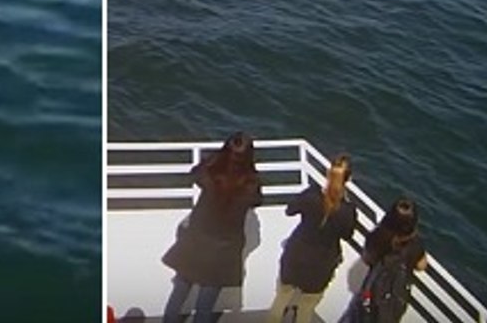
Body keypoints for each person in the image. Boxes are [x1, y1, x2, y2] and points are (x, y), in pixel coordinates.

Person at [161, 131, 263, 323]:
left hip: (196, 240)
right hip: (223, 250)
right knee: (205, 306)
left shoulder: (212, 172)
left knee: (179, 292)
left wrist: (217, 158)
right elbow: (257, 201)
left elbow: (195, 173)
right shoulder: (250, 181)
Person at [265, 155, 357, 323]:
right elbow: (347, 235)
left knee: (281, 299)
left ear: (328, 173)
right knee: (306, 307)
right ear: (348, 179)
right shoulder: (348, 210)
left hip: (296, 254)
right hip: (322, 264)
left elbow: (290, 210)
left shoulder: (311, 195)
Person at [345, 198, 428, 323]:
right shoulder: (415, 246)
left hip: (371, 295)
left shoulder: (377, 237)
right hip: (392, 304)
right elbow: (421, 266)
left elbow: (367, 259)